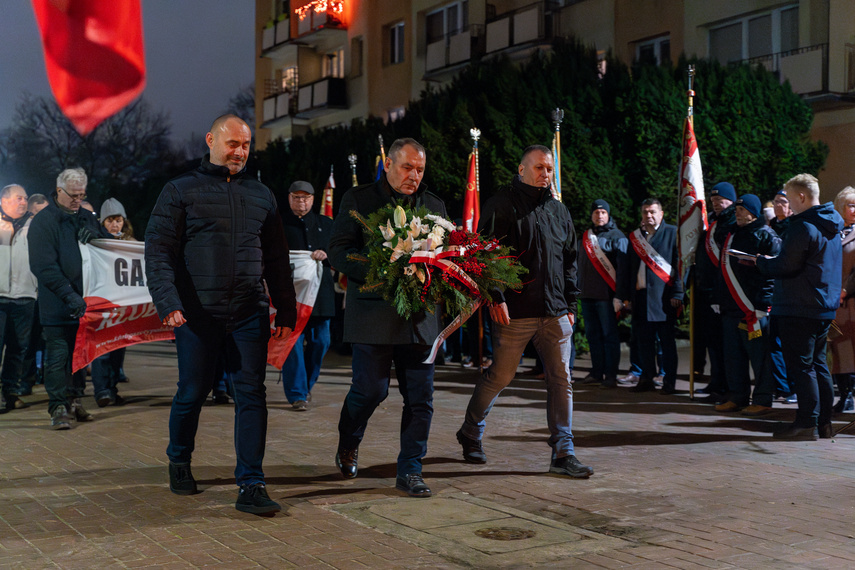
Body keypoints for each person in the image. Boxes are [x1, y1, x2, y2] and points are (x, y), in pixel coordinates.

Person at [145, 114, 296, 514]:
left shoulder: (262, 195)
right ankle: (179, 458)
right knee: (192, 392)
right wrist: (168, 301)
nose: (239, 152)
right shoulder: (179, 190)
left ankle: (251, 482)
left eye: (246, 145)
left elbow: (277, 258)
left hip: (250, 313)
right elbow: (158, 251)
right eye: (232, 143)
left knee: (252, 394)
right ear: (211, 139)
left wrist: (286, 305)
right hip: (197, 315)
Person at [455, 145, 593, 479]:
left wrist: (570, 304)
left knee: (562, 380)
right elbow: (484, 255)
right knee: (500, 376)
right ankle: (471, 430)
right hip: (515, 311)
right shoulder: (501, 205)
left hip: (556, 312)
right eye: (540, 168)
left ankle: (563, 452)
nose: (546, 175)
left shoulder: (559, 211)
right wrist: (496, 296)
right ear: (521, 169)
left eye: (550, 169)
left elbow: (570, 260)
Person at [328, 138, 446, 497]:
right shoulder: (359, 199)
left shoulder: (433, 205)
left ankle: (410, 470)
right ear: (389, 164)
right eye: (408, 167)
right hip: (374, 315)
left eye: (420, 169)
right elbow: (339, 252)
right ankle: (348, 440)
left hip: (421, 320)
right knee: (370, 391)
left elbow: (447, 255)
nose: (414, 175)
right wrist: (382, 270)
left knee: (421, 398)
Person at [754, 174, 842, 440]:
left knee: (802, 368)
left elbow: (786, 265)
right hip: (821, 305)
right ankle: (823, 424)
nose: (789, 206)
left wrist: (761, 262)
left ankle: (806, 423)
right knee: (818, 366)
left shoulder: (803, 226)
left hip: (799, 306)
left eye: (790, 200)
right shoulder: (830, 224)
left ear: (802, 197)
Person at [28, 168, 109, 429]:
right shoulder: (44, 221)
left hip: (86, 303)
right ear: (59, 191)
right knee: (58, 356)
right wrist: (69, 295)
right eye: (73, 195)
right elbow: (43, 266)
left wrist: (98, 238)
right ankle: (58, 405)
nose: (77, 200)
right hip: (57, 305)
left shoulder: (87, 218)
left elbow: (108, 250)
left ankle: (75, 400)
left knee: (81, 356)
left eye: (82, 195)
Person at [714, 195, 781, 415]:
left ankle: (762, 399)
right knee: (733, 356)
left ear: (753, 212)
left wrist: (763, 305)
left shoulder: (767, 235)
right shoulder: (732, 234)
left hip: (754, 310)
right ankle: (738, 396)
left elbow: (773, 274)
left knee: (759, 357)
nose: (738, 213)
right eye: (737, 210)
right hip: (732, 308)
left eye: (742, 210)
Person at [616, 199, 682, 394]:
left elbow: (680, 266)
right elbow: (628, 269)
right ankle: (646, 379)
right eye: (645, 212)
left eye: (653, 212)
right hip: (641, 298)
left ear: (661, 214)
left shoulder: (673, 233)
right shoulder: (636, 237)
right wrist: (624, 296)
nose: (649, 216)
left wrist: (678, 292)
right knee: (643, 342)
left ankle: (669, 382)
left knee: (666, 343)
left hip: (664, 299)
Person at [280, 180, 335, 411]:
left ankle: (307, 384)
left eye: (305, 198)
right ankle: (297, 394)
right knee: (291, 343)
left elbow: (339, 254)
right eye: (296, 197)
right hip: (289, 296)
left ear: (313, 199)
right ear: (289, 198)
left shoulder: (327, 224)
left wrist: (327, 254)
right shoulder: (278, 224)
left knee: (321, 342)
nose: (301, 202)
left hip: (320, 294)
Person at [693, 182, 736, 402]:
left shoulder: (732, 223)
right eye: (713, 201)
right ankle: (716, 381)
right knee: (711, 341)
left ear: (731, 200)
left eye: (721, 200)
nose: (717, 204)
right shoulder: (712, 222)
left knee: (723, 345)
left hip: (722, 293)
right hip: (706, 291)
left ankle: (725, 386)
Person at [89, 198, 134, 407]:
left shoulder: (133, 245)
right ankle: (101, 391)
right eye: (110, 221)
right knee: (102, 350)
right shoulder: (96, 244)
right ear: (102, 222)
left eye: (118, 220)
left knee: (118, 350)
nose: (114, 225)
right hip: (103, 305)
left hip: (124, 308)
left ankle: (113, 388)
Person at [578, 199, 627, 389]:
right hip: (587, 295)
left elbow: (623, 270)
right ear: (592, 215)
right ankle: (596, 372)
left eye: (603, 213)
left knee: (609, 336)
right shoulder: (585, 237)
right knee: (593, 336)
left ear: (608, 214)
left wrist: (620, 296)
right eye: (596, 213)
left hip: (607, 297)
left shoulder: (618, 237)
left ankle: (611, 376)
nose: (600, 216)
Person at [0, 185, 38, 412]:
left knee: (18, 349)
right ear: (3, 201)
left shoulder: (34, 227)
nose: (23, 202)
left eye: (25, 198)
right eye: (18, 198)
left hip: (25, 295)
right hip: (0, 296)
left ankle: (10, 392)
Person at [829, 186, 855, 413]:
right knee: (839, 350)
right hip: (833, 303)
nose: (854, 209)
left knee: (851, 349)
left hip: (851, 302)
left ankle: (850, 395)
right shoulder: (833, 232)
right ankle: (844, 394)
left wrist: (846, 290)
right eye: (850, 204)